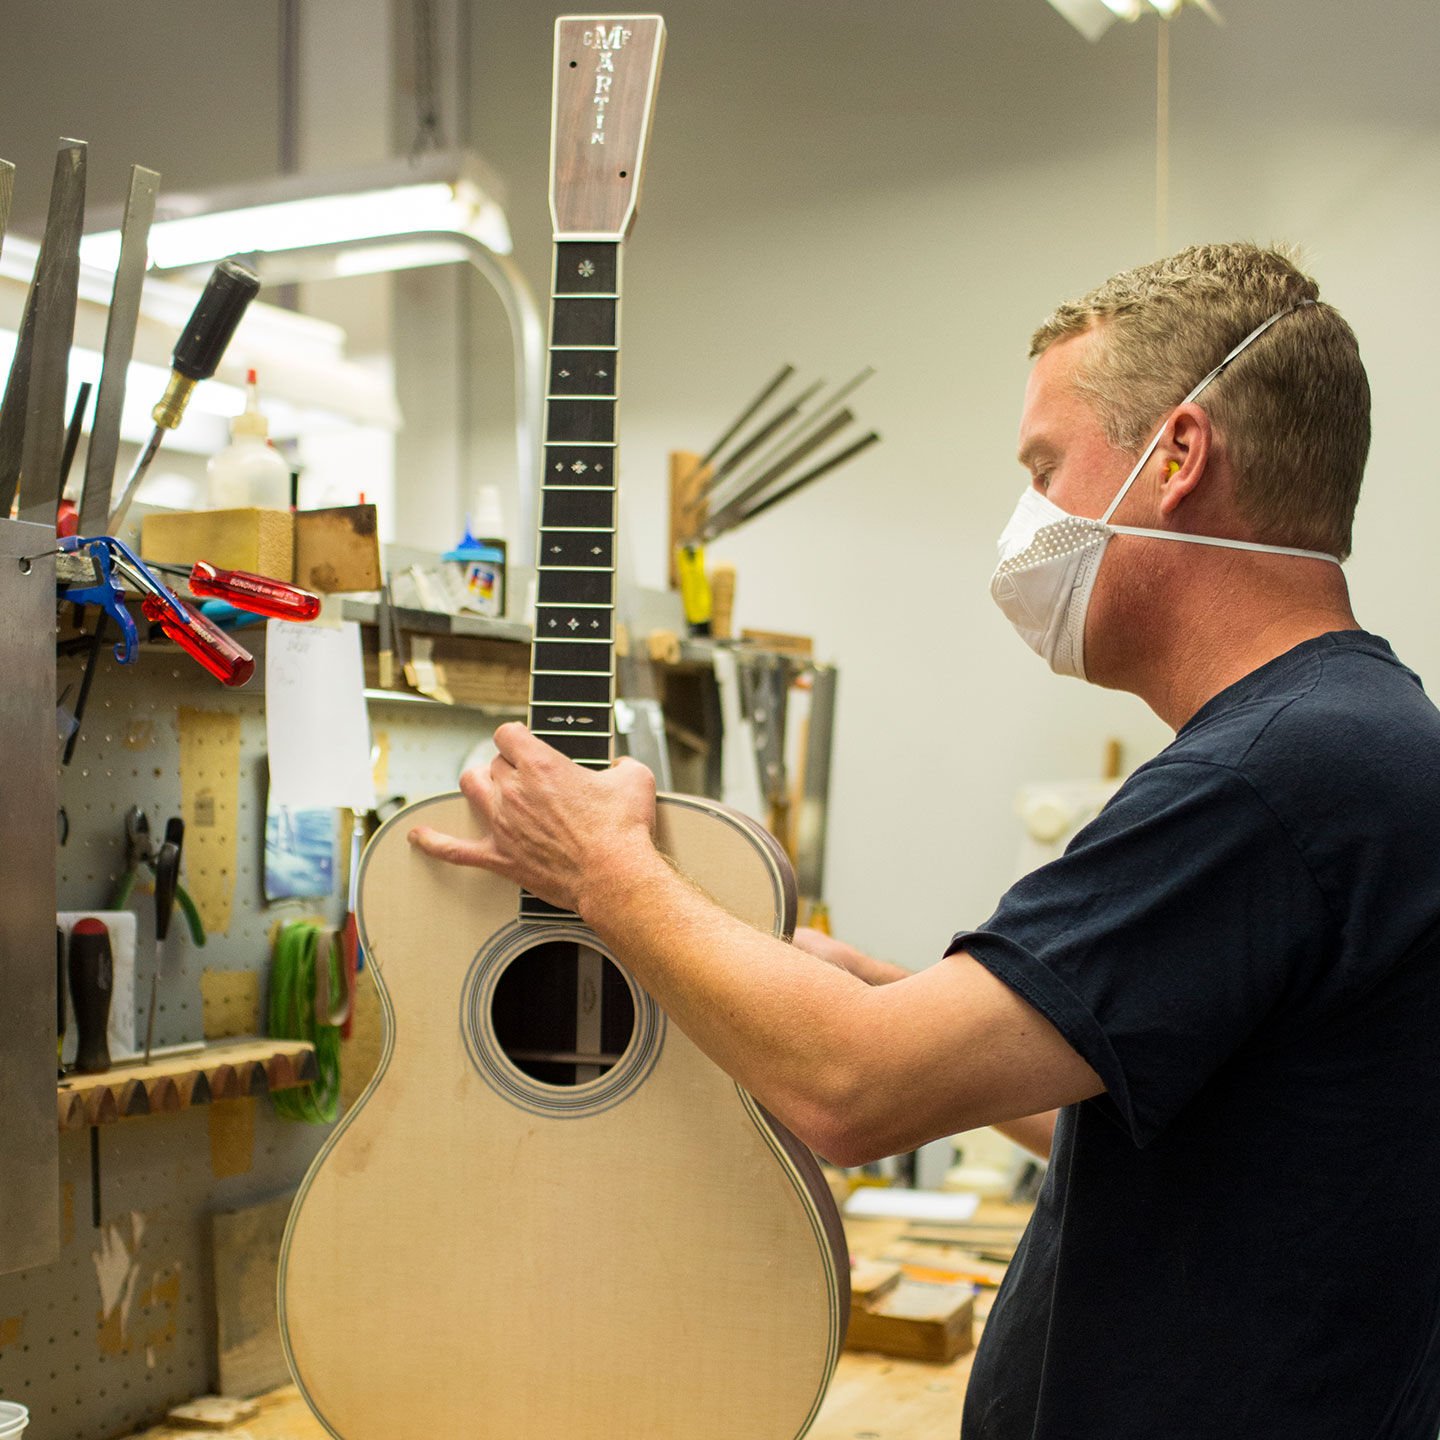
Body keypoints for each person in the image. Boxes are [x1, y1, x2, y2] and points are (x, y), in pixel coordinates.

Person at [409, 243, 1440, 1439]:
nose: (1028, 520)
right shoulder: (1356, 738)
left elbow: (854, 1092)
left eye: (1046, 468)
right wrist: (883, 992)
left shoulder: (1275, 777)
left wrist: (605, 869)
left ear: (1178, 456)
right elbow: (1207, 1140)